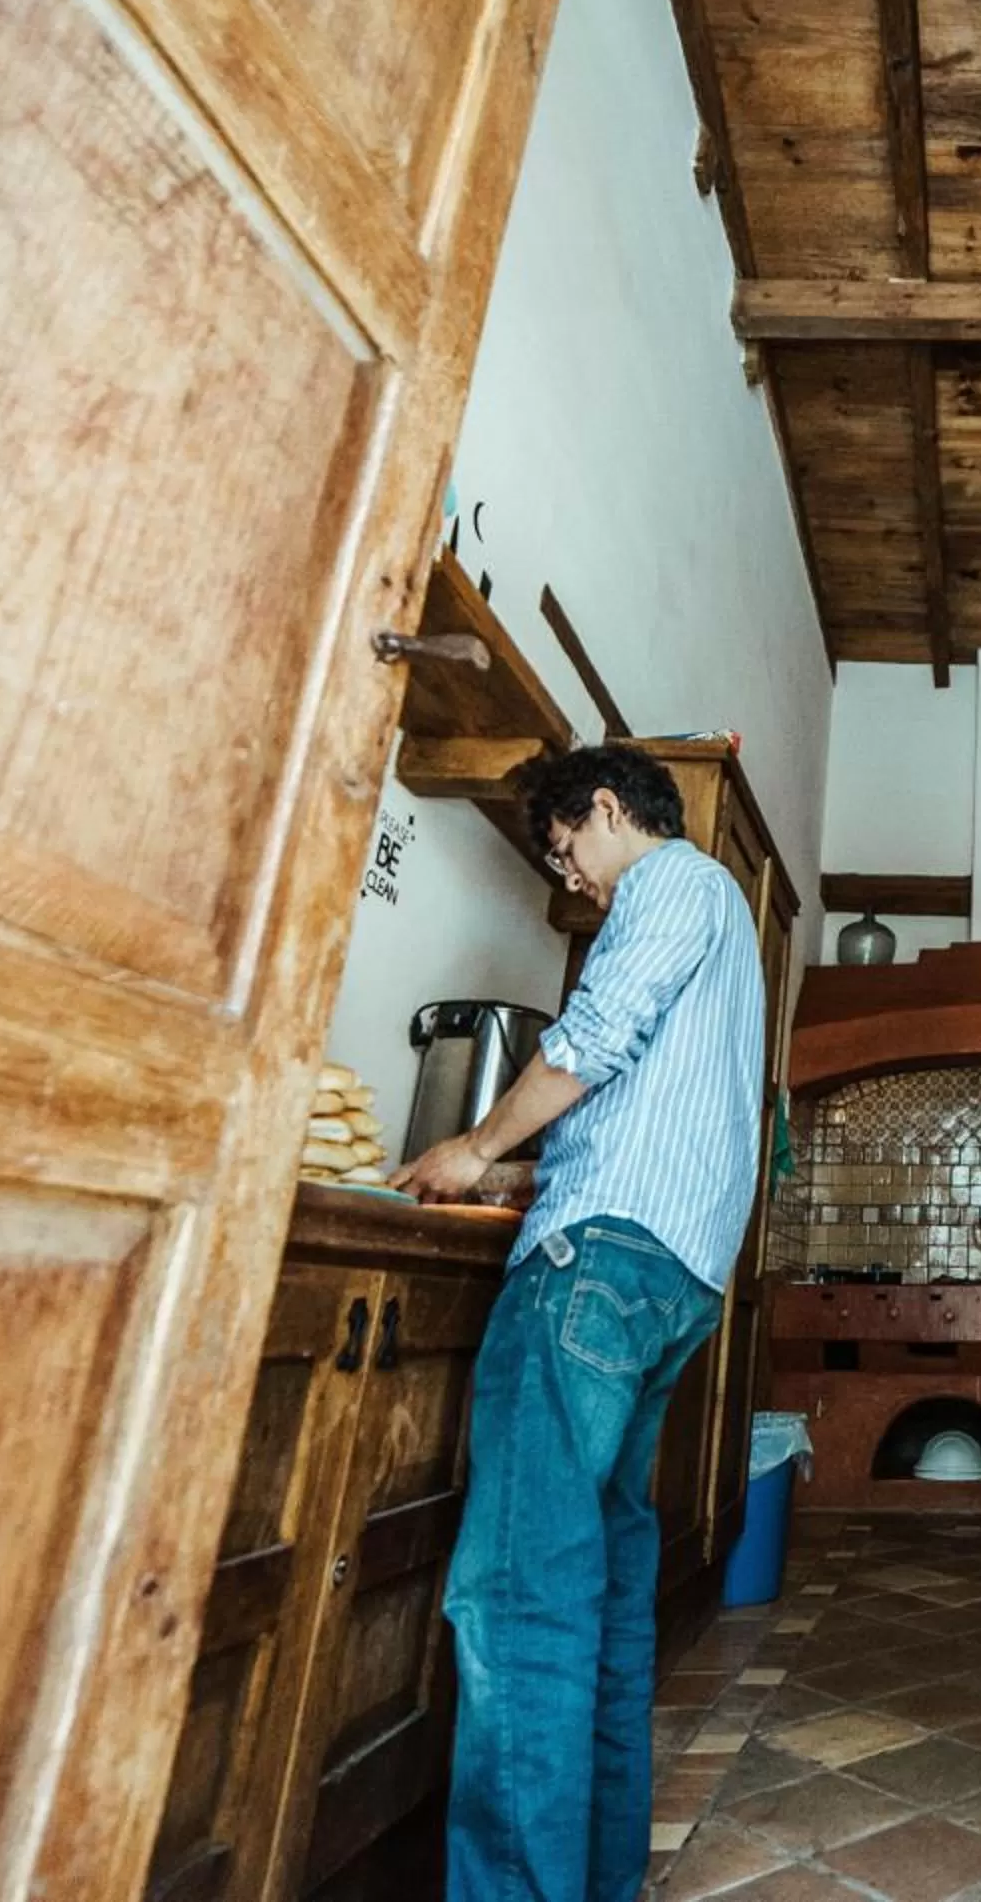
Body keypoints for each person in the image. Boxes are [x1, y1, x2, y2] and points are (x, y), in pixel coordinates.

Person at [389, 744, 765, 1902]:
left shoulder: (676, 882)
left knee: (520, 1598)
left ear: (608, 808)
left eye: (567, 852)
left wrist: (477, 1146)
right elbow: (636, 1098)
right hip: (671, 1277)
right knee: (597, 1596)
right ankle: (597, 1882)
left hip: (595, 1269)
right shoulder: (726, 922)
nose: (575, 881)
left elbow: (596, 1035)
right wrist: (527, 1171)